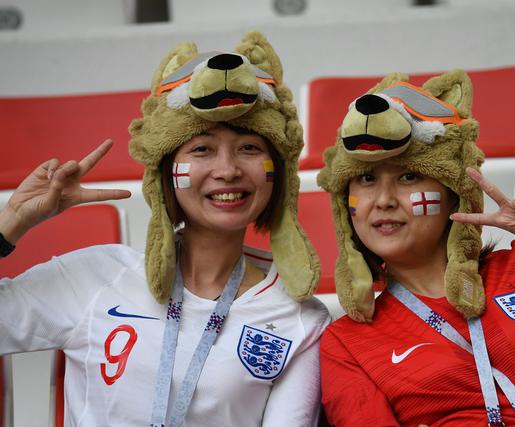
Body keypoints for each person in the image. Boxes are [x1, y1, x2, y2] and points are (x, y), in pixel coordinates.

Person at [0, 32, 330, 426]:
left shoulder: (300, 318)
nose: (227, 170)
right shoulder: (96, 277)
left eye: (249, 148)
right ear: (165, 174)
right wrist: (9, 225)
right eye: (202, 149)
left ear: (277, 175)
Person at [317, 70, 515, 426]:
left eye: (408, 177)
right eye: (366, 179)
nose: (383, 201)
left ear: (454, 192)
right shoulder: (348, 342)